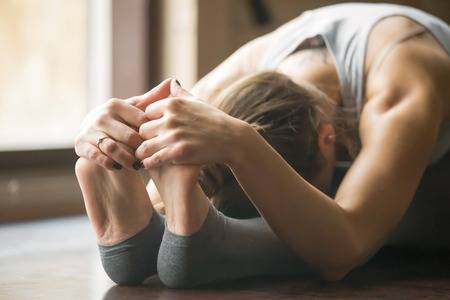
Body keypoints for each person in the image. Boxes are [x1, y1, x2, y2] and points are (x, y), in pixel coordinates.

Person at [74, 3, 450, 288]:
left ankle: (219, 241)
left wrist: (242, 142)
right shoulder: (240, 78)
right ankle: (168, 243)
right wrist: (111, 139)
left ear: (327, 137)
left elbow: (346, 248)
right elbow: (186, 169)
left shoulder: (400, 91)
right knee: (209, 189)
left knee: (376, 221)